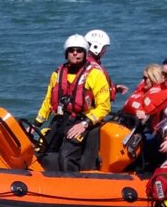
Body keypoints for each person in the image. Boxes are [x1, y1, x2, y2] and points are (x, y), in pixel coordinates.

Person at [35, 34, 111, 172]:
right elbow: (47, 101)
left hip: (82, 122)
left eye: (79, 50)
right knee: (41, 151)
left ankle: (73, 183)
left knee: (66, 157)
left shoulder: (95, 75)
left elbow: (104, 107)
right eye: (71, 50)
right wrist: (36, 125)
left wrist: (84, 124)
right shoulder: (57, 74)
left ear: (85, 53)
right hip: (61, 119)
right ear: (66, 53)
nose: (75, 53)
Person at [84, 29, 127, 99]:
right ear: (96, 47)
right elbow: (101, 92)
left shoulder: (83, 63)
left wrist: (115, 88)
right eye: (104, 48)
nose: (105, 51)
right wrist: (113, 89)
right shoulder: (95, 68)